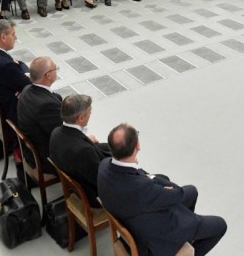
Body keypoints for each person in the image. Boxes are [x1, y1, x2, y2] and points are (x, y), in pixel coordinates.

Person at [98, 123, 227, 256]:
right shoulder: (142, 187)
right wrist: (152, 178)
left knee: (192, 191)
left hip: (134, 217)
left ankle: (185, 239)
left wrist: (150, 179)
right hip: (153, 234)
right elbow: (177, 192)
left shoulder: (103, 166)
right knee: (220, 225)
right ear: (138, 146)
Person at [49, 95, 111, 206]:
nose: (91, 114)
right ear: (81, 118)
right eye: (89, 112)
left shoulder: (56, 132)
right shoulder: (84, 150)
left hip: (77, 175)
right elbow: (103, 182)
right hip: (94, 196)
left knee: (112, 146)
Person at [16, 56, 62, 174]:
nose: (57, 70)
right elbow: (62, 136)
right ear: (48, 75)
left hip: (31, 151)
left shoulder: (26, 90)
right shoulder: (47, 105)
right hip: (46, 159)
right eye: (55, 68)